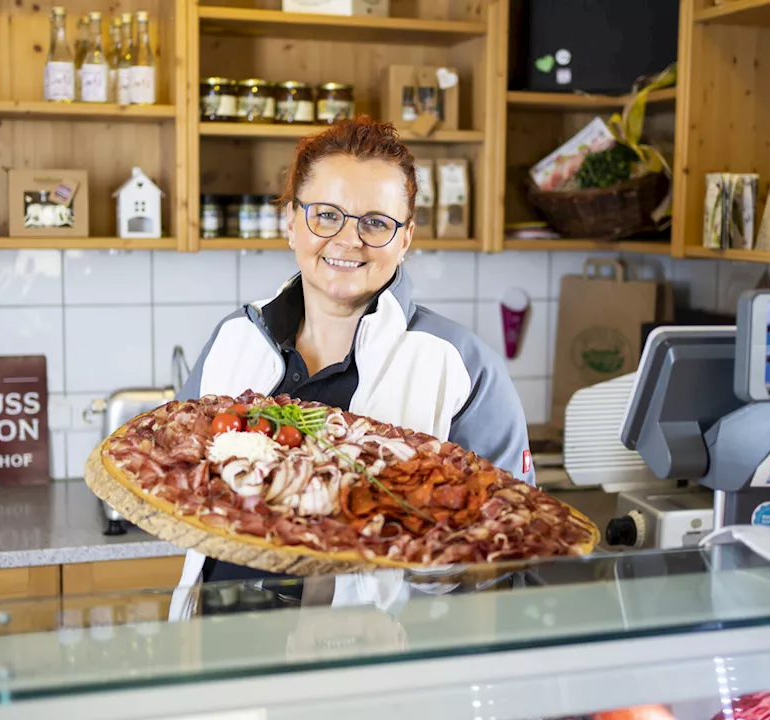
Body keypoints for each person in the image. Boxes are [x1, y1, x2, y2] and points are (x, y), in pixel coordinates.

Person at [171, 117, 534, 597]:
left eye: (376, 223)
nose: (348, 240)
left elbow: (517, 540)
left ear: (404, 239)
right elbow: (177, 471)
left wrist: (437, 554)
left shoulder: (460, 364)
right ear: (291, 223)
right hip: (218, 641)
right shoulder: (234, 337)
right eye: (325, 214)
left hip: (371, 656)